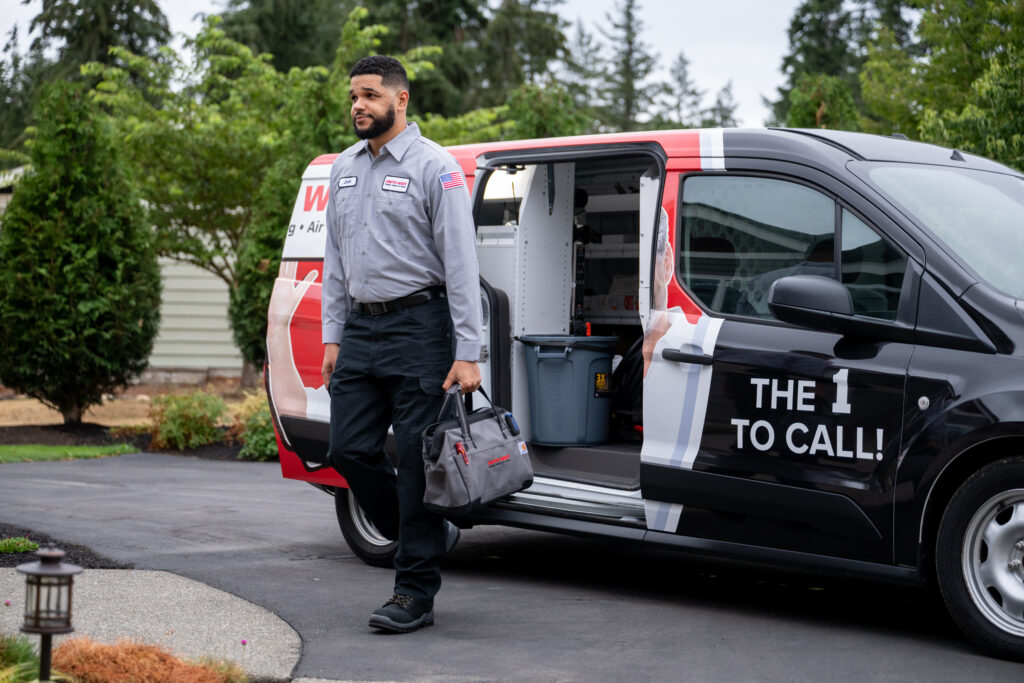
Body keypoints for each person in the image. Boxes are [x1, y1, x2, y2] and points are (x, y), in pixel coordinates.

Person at [321, 55, 482, 634]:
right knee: (349, 450)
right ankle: (425, 531)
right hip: (361, 330)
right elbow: (334, 260)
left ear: (401, 99)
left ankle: (414, 592)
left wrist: (469, 351)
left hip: (420, 328)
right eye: (353, 97)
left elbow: (461, 265)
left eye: (369, 95)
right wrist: (333, 335)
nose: (359, 105)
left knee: (414, 460)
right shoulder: (343, 168)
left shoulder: (435, 167)